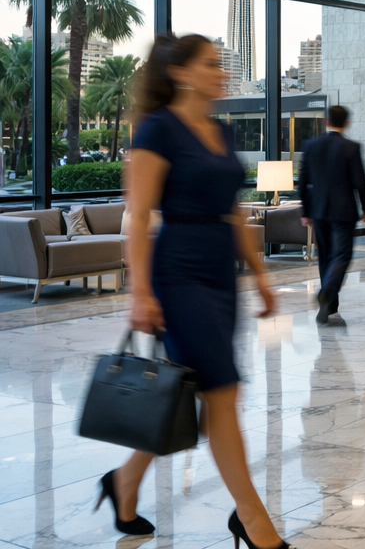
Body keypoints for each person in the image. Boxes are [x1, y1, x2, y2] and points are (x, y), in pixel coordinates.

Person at [104, 34, 290, 549]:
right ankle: (253, 520)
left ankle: (125, 481)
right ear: (181, 73)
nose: (221, 71)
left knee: (192, 391)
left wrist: (261, 276)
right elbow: (137, 217)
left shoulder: (221, 132)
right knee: (222, 392)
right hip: (179, 271)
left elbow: (232, 210)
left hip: (218, 271)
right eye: (211, 64)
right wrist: (139, 292)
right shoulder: (158, 130)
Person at [298, 104, 365, 326]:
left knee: (326, 258)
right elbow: (360, 180)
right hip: (343, 210)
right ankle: (327, 292)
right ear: (347, 123)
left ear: (326, 121)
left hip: (318, 210)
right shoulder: (351, 147)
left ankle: (328, 309)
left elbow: (302, 180)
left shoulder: (311, 145)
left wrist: (306, 211)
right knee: (342, 256)